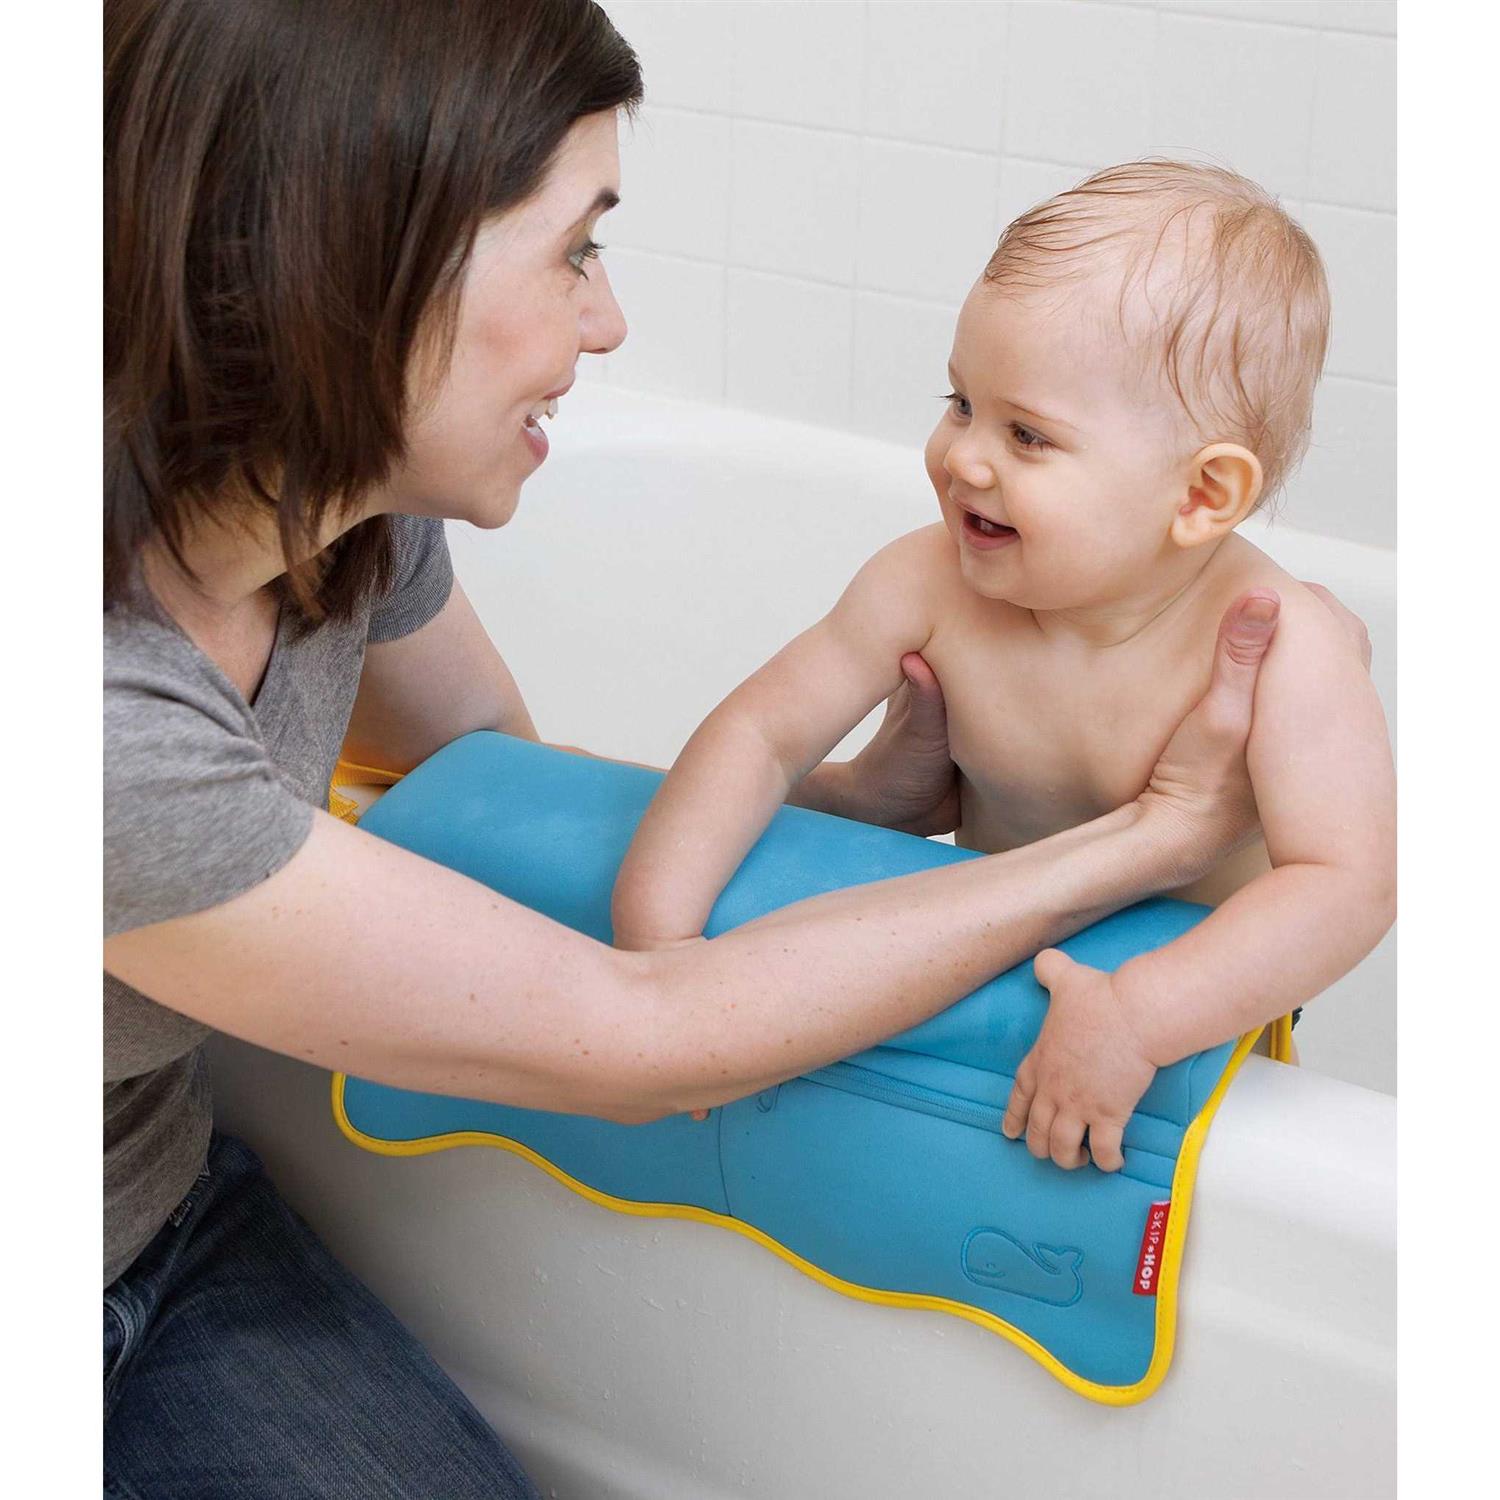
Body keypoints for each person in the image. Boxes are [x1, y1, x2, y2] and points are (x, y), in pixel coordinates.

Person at [102, 4, 1371, 1495]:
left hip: (157, 1201)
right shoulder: (102, 724)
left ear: (1205, 496)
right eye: (575, 250)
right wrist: (1143, 845)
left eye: (1027, 434)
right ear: (355, 273)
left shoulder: (341, 520)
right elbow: (644, 1023)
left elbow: (501, 780)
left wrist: (859, 812)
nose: (611, 323)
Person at [611, 159, 1395, 1176]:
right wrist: (656, 948)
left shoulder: (1279, 646)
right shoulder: (928, 581)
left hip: (1182, 1032)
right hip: (967, 969)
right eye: (961, 402)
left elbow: (1348, 884)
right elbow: (761, 736)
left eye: (1027, 434)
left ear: (1202, 496)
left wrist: (1143, 1016)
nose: (963, 458)